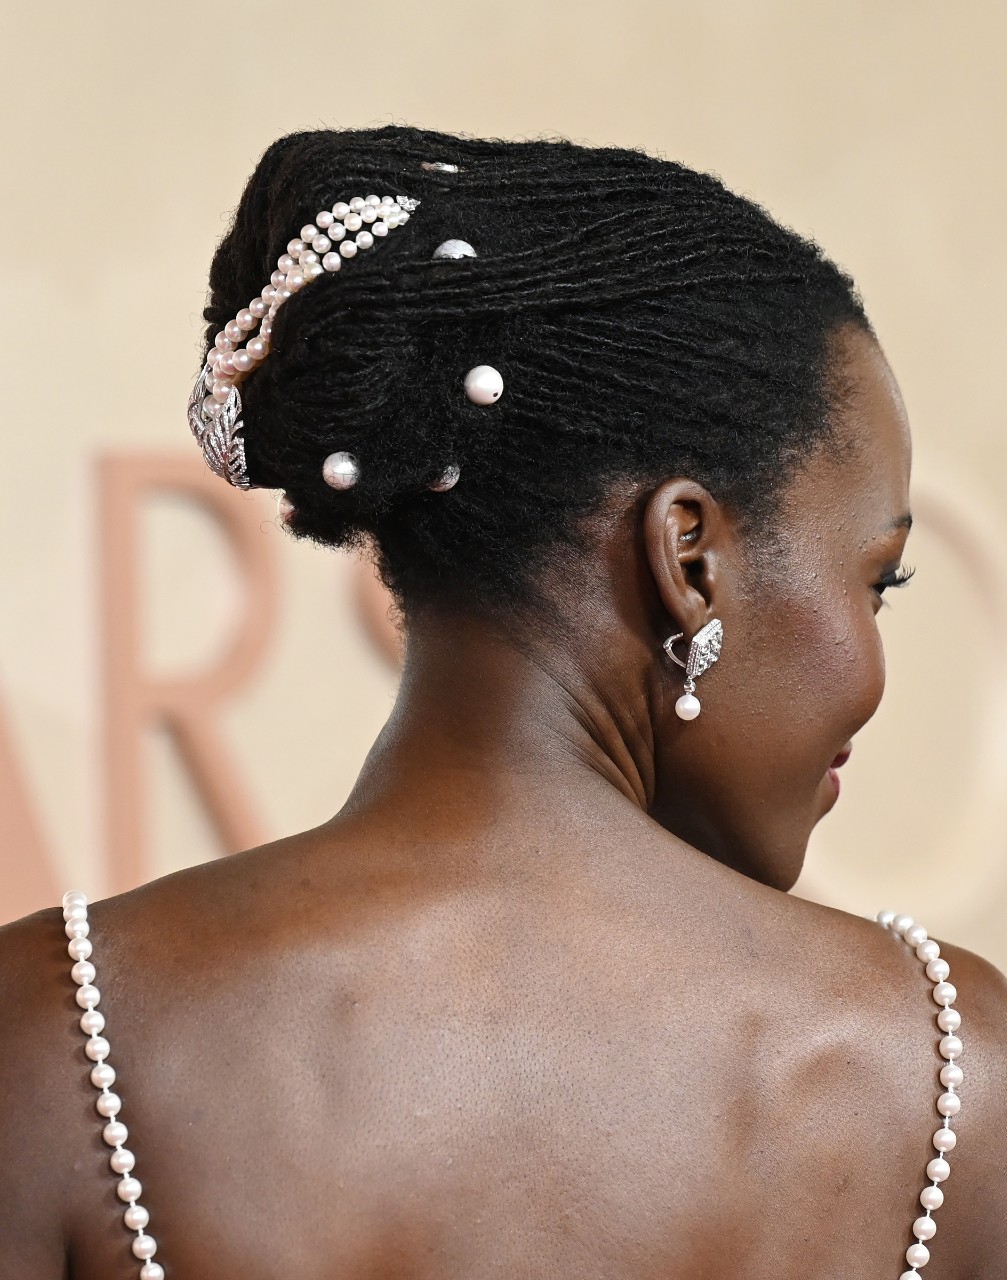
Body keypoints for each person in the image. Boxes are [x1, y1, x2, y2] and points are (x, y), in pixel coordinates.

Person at [1, 124, 1005, 1280]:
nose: (874, 665)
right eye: (876, 582)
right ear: (686, 555)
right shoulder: (945, 1076)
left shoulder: (55, 1038)